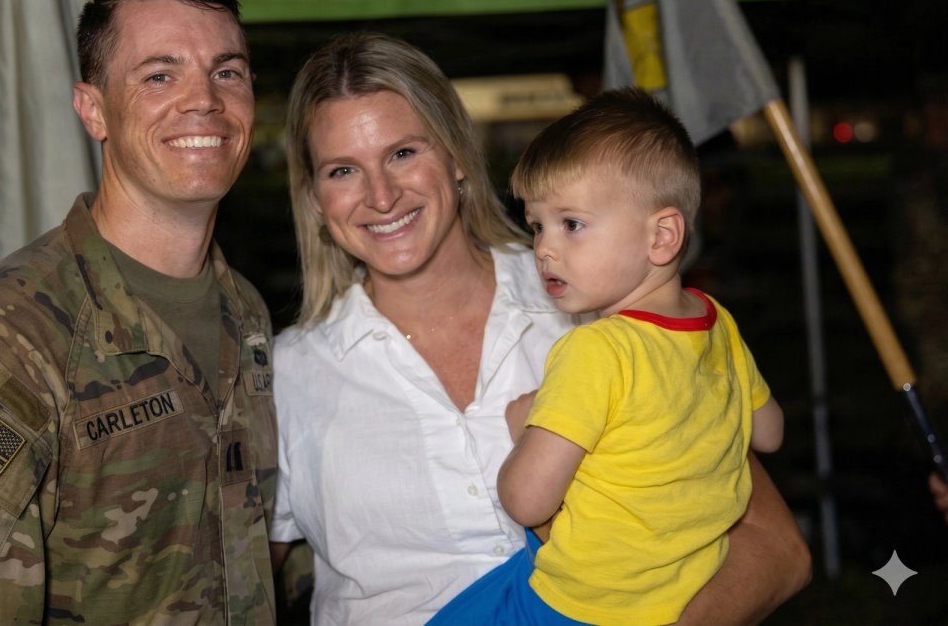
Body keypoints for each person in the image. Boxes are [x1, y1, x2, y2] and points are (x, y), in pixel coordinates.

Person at [268, 31, 810, 626]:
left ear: (455, 158)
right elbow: (225, 579)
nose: (380, 194)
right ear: (315, 197)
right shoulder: (285, 373)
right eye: (342, 170)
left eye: (403, 153)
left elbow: (777, 548)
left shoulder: (605, 305)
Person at [0, 0, 277, 623]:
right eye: (160, 74)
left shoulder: (246, 313)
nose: (204, 99)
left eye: (227, 71)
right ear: (94, 109)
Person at [431, 87, 786, 625]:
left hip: (583, 604)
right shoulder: (715, 321)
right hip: (685, 589)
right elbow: (769, 433)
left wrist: (523, 426)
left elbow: (527, 503)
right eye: (537, 226)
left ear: (663, 236)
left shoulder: (596, 350)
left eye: (571, 224)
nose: (545, 248)